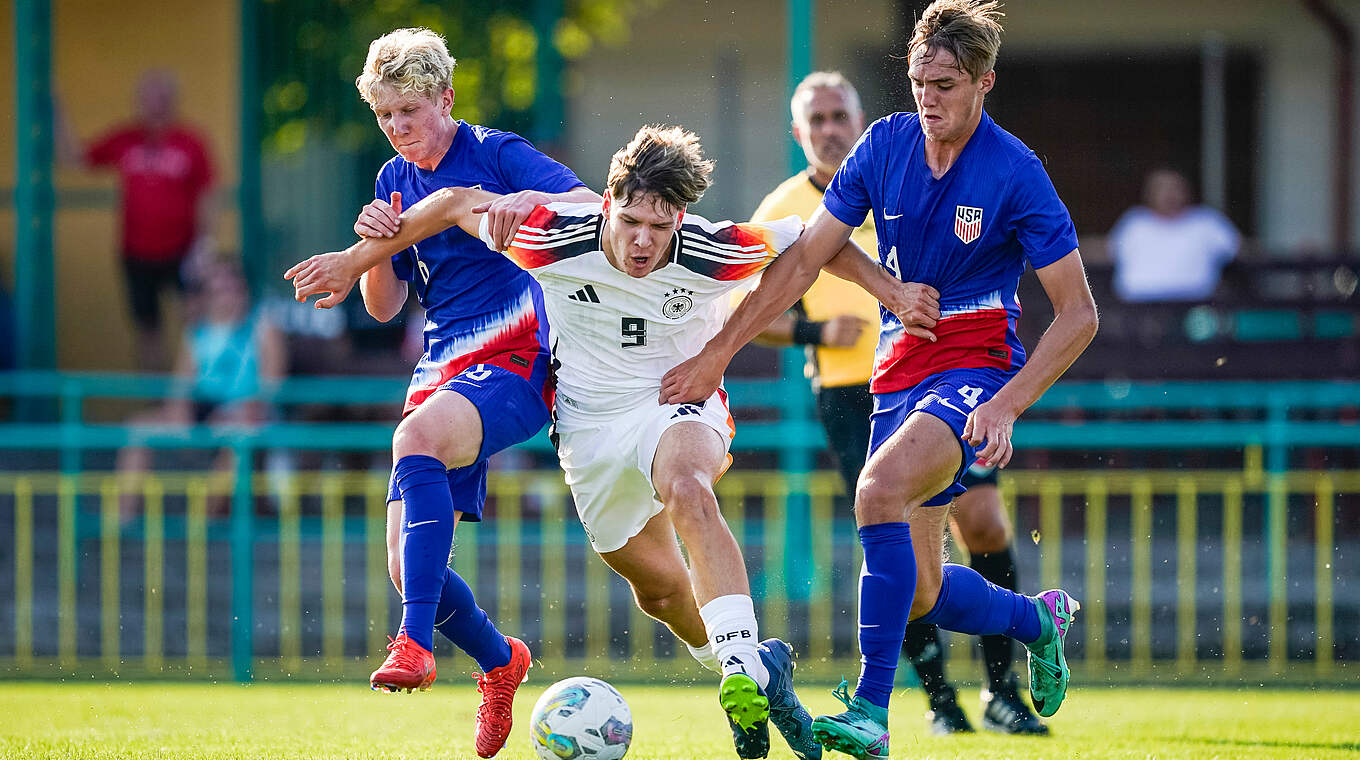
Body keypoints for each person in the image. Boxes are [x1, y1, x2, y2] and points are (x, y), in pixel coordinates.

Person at [288, 123, 938, 760]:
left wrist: (885, 295)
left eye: (660, 227)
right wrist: (354, 260)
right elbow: (455, 203)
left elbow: (817, 240)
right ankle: (761, 671)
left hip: (677, 404)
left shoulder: (713, 246)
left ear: (681, 219)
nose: (643, 241)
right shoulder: (550, 237)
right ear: (608, 203)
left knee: (687, 489)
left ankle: (740, 663)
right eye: (630, 222)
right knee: (659, 594)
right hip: (590, 430)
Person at [659, 2, 1099, 758]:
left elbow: (1079, 314)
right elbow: (808, 254)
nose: (929, 98)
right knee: (923, 589)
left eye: (948, 84)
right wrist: (724, 352)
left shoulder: (1016, 171)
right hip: (897, 370)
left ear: (985, 81)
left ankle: (869, 709)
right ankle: (1038, 620)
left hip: (974, 365)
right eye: (920, 80)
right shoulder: (885, 144)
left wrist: (1004, 404)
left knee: (876, 493)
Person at [287, 27, 599, 760]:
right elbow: (384, 307)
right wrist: (376, 245)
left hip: (518, 354)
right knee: (405, 566)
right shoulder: (390, 179)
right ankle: (500, 660)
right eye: (385, 115)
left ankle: (414, 643)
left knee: (414, 443)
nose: (398, 128)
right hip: (441, 366)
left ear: (446, 99)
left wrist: (519, 199)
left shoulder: (493, 151)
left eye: (410, 112)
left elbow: (589, 203)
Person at [751, 71, 1047, 737]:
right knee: (901, 549)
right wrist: (813, 331)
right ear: (798, 133)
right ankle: (941, 701)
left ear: (857, 123)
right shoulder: (781, 209)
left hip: (947, 375)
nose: (829, 129)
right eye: (816, 120)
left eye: (839, 116)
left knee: (985, 524)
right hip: (852, 392)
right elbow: (757, 307)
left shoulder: (898, 168)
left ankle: (1005, 689)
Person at [60, 70, 216, 370]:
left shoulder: (190, 141)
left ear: (172, 100)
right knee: (147, 330)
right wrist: (56, 110)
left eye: (160, 96)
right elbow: (75, 158)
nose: (153, 104)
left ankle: (194, 401)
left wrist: (204, 243)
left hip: (182, 249)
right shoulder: (126, 138)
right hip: (136, 251)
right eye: (146, 97)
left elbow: (208, 193)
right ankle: (155, 402)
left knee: (196, 323)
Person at [115, 262, 285, 518]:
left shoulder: (263, 328)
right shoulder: (196, 333)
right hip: (204, 409)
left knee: (237, 436)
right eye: (218, 290)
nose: (226, 295)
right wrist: (179, 415)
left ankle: (199, 524)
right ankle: (121, 520)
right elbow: (180, 386)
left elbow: (272, 385)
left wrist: (238, 413)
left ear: (245, 292)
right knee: (138, 429)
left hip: (248, 415)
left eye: (232, 288)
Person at [1109, 167, 1240, 302]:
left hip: (1195, 306)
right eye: (1162, 188)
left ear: (1187, 191)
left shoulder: (1207, 221)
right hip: (1138, 308)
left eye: (1175, 188)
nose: (1169, 194)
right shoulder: (1133, 222)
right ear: (1149, 193)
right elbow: (1110, 252)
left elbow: (1237, 250)